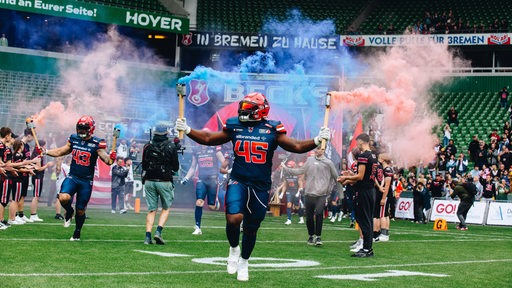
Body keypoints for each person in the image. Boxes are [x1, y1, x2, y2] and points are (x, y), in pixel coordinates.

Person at [175, 92, 330, 281]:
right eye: (243, 106)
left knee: (251, 227)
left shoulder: (272, 128)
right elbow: (209, 138)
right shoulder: (234, 125)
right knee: (233, 218)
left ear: (261, 111)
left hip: (260, 185)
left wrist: (316, 140)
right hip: (238, 179)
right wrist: (189, 130)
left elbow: (295, 146)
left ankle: (244, 261)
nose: (243, 110)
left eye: (248, 107)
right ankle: (233, 249)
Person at [43, 116, 117, 241]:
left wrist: (111, 157)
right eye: (80, 128)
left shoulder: (97, 143)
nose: (81, 131)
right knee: (63, 197)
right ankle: (69, 211)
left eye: (84, 128)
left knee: (81, 210)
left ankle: (77, 231)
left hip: (86, 181)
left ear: (91, 129)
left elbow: (107, 160)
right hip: (73, 176)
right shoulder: (73, 139)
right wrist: (46, 151)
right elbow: (62, 151)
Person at [281, 147, 338, 246]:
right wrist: (287, 169)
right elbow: (300, 171)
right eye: (316, 148)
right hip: (309, 193)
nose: (317, 150)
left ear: (323, 150)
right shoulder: (310, 160)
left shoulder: (328, 163)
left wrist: (329, 190)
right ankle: (311, 235)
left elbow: (335, 177)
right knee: (309, 217)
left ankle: (318, 237)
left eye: (319, 148)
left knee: (319, 214)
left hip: (321, 194)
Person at [337, 133, 378, 258]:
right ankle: (367, 247)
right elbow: (364, 176)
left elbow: (360, 176)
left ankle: (366, 248)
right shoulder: (373, 155)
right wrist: (349, 178)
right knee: (367, 219)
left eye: (357, 142)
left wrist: (346, 177)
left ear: (361, 141)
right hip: (370, 190)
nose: (357, 145)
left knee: (363, 219)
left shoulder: (363, 156)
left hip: (363, 191)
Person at [141, 123, 179, 245]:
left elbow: (144, 165)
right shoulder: (171, 146)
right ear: (166, 133)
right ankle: (158, 232)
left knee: (152, 210)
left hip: (149, 181)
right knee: (166, 208)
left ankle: (147, 237)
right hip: (164, 180)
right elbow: (176, 167)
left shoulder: (147, 146)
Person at [181, 143, 225, 235]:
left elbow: (224, 162)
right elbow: (193, 167)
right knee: (199, 201)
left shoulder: (214, 149)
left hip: (213, 180)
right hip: (201, 180)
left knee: (212, 207)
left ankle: (215, 201)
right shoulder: (197, 151)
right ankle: (197, 227)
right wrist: (186, 177)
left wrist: (224, 174)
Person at [29, 140, 54, 221]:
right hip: (37, 176)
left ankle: (34, 213)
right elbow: (38, 168)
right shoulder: (38, 155)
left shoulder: (39, 154)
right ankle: (33, 214)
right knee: (36, 196)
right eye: (44, 146)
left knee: (37, 196)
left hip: (39, 176)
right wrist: (47, 165)